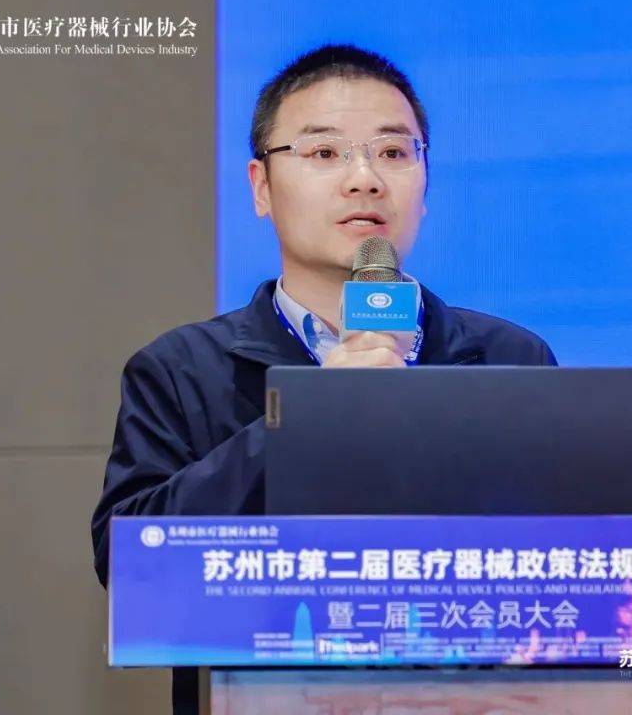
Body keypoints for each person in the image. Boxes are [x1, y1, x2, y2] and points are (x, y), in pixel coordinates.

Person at [90, 43, 556, 713]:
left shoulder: (511, 359)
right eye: (325, 152)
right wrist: (303, 421)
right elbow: (135, 572)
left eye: (393, 152)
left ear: (426, 184)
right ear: (261, 186)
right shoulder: (181, 370)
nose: (365, 179)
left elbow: (569, 584)